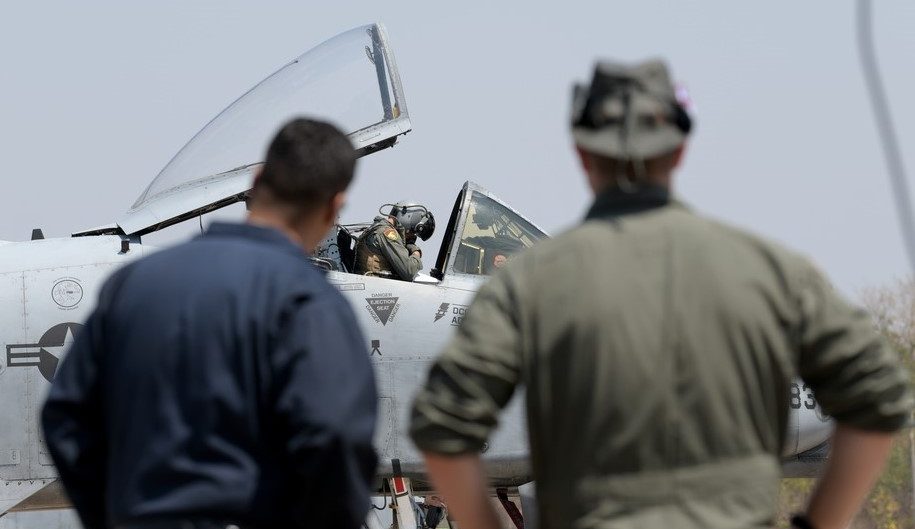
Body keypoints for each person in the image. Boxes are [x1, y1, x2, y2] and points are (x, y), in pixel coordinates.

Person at [409, 59, 914, 529]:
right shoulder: (772, 270)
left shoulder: (528, 283)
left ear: (582, 152)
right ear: (679, 149)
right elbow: (879, 397)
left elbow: (440, 427)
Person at [42, 118, 378, 529]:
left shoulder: (133, 283)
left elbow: (66, 416)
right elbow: (334, 437)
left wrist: (113, 516)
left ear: (256, 182)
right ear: (333, 208)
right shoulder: (308, 303)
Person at [354, 201, 435, 281]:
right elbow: (409, 271)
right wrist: (416, 253)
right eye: (412, 232)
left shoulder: (378, 228)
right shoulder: (388, 233)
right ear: (408, 219)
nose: (412, 236)